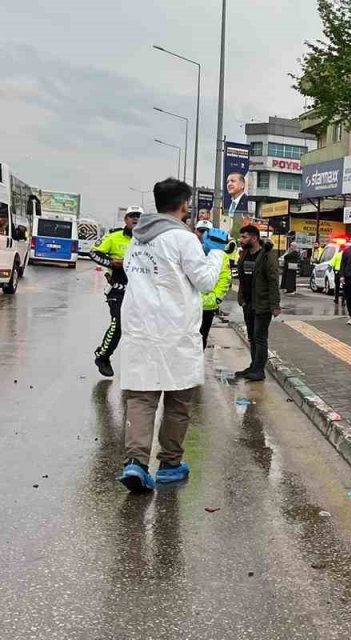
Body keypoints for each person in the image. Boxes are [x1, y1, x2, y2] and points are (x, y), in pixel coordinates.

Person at [116, 178, 229, 493]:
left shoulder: (138, 239)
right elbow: (205, 281)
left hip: (140, 330)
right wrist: (216, 253)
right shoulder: (183, 238)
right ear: (184, 204)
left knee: (141, 397)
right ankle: (169, 464)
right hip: (175, 331)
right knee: (178, 401)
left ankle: (136, 463)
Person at [90, 206, 141, 377]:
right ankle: (103, 356)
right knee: (118, 324)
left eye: (139, 216)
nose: (135, 219)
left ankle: (136, 366)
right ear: (125, 219)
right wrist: (112, 263)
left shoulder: (148, 240)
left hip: (140, 293)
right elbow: (94, 252)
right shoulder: (113, 237)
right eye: (132, 216)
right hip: (117, 291)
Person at [235, 225, 282, 381]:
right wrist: (241, 297)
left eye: (244, 237)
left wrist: (275, 305)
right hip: (248, 302)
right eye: (241, 237)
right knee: (252, 336)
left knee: (259, 337)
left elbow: (273, 280)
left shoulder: (267, 255)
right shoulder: (245, 254)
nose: (241, 240)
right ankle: (254, 366)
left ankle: (259, 370)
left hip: (262, 303)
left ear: (254, 238)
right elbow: (242, 278)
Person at [195, 220, 232, 348]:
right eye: (200, 231)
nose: (202, 234)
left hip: (207, 307)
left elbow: (224, 279)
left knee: (201, 338)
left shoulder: (221, 256)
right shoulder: (189, 250)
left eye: (206, 232)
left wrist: (214, 298)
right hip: (189, 305)